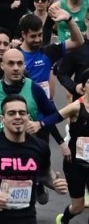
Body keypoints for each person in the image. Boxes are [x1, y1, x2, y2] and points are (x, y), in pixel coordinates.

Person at [0, 94, 68, 223]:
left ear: (28, 117)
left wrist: (55, 184)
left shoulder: (40, 147)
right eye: (11, 113)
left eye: (22, 113)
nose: (17, 117)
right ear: (2, 119)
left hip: (26, 217)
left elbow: (45, 175)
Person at [50, 69, 89, 223]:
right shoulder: (76, 107)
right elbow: (49, 121)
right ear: (84, 86)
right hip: (75, 163)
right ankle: (64, 219)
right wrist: (61, 142)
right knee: (78, 207)